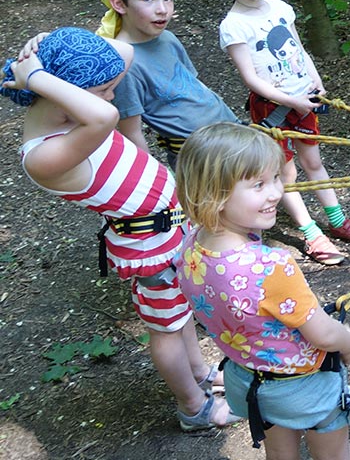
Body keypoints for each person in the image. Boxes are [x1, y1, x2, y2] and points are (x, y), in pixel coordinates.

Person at [1, 28, 239, 431]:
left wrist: (44, 43)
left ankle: (199, 374)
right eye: (105, 90)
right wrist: (38, 76)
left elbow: (124, 51)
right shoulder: (44, 154)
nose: (113, 96)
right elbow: (106, 115)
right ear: (64, 95)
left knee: (180, 316)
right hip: (148, 246)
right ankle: (193, 407)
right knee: (164, 328)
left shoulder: (74, 116)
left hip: (168, 232)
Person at [174, 123, 350, 459]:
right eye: (258, 184)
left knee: (279, 451)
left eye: (275, 178)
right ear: (213, 195)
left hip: (248, 380)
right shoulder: (272, 265)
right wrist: (349, 341)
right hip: (302, 387)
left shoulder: (190, 245)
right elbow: (323, 335)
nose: (276, 192)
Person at [219, 0, 350, 266]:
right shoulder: (233, 26)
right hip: (272, 110)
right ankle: (311, 233)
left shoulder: (280, 9)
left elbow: (300, 50)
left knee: (314, 163)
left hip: (304, 99)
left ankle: (337, 220)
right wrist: (291, 100)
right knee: (284, 175)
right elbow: (251, 79)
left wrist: (316, 82)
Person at [95, 0, 239, 168]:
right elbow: (131, 131)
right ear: (119, 3)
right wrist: (156, 178)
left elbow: (195, 86)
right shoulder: (124, 64)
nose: (162, 9)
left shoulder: (168, 39)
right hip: (198, 155)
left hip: (232, 131)